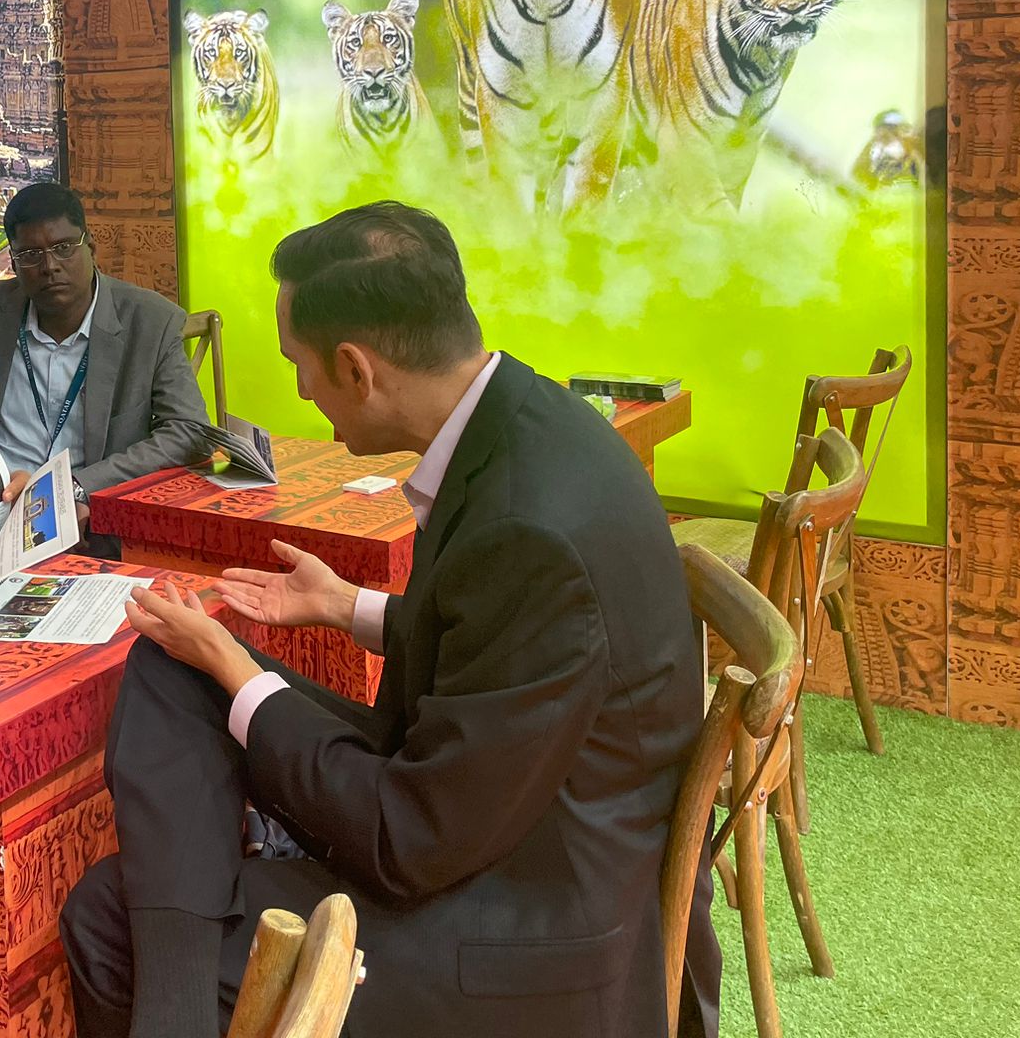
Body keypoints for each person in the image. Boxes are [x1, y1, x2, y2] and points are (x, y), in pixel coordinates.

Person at [58, 202, 718, 1038]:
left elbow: (411, 840)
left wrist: (242, 672)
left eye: (299, 366)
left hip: (524, 926)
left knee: (108, 914)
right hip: (497, 813)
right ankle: (190, 986)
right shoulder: (531, 423)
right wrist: (348, 607)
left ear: (356, 368)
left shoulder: (530, 527)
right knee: (172, 666)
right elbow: (510, 658)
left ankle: (183, 982)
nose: (301, 390)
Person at [0, 182, 209, 552]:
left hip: (88, 524)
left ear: (91, 248)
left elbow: (190, 432)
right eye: (31, 254)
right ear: (13, 262)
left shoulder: (150, 321)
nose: (49, 266)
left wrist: (77, 487)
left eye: (64, 248)